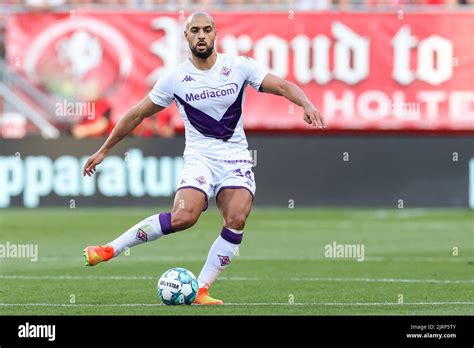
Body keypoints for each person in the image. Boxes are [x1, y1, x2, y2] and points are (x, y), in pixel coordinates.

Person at [82, 11, 325, 305]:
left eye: (206, 30)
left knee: (236, 218)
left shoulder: (238, 67)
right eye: (194, 30)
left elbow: (284, 86)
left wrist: (307, 104)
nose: (201, 35)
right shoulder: (175, 78)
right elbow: (136, 114)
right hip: (200, 158)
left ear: (215, 34)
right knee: (184, 217)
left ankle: (200, 288)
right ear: (186, 36)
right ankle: (109, 249)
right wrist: (104, 149)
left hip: (235, 158)